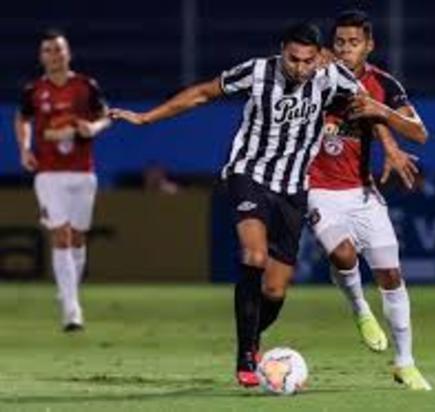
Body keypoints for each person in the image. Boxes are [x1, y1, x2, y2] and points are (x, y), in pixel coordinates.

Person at [109, 22, 412, 387]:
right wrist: (146, 118)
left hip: (293, 188)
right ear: (282, 50)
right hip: (249, 174)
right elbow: (203, 93)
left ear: (318, 57)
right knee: (254, 255)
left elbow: (368, 108)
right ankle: (246, 357)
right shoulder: (257, 72)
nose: (300, 68)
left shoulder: (332, 77)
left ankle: (252, 340)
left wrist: (390, 147)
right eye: (293, 59)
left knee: (275, 290)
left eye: (307, 61)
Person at [307, 10, 432, 390]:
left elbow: (420, 133)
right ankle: (361, 309)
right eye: (339, 42)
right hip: (316, 187)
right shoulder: (315, 76)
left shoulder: (384, 84)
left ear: (369, 45)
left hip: (362, 192)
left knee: (391, 275)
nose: (346, 49)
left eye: (354, 42)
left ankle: (405, 363)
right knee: (343, 255)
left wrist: (382, 112)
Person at [14, 29, 111, 332]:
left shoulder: (85, 86)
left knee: (79, 237)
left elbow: (106, 115)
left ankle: (69, 292)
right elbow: (23, 118)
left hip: (83, 172)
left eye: (58, 49)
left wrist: (93, 128)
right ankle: (72, 311)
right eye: (48, 50)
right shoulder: (34, 90)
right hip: (48, 173)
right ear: (41, 56)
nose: (54, 55)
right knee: (61, 236)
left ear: (68, 53)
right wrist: (25, 149)